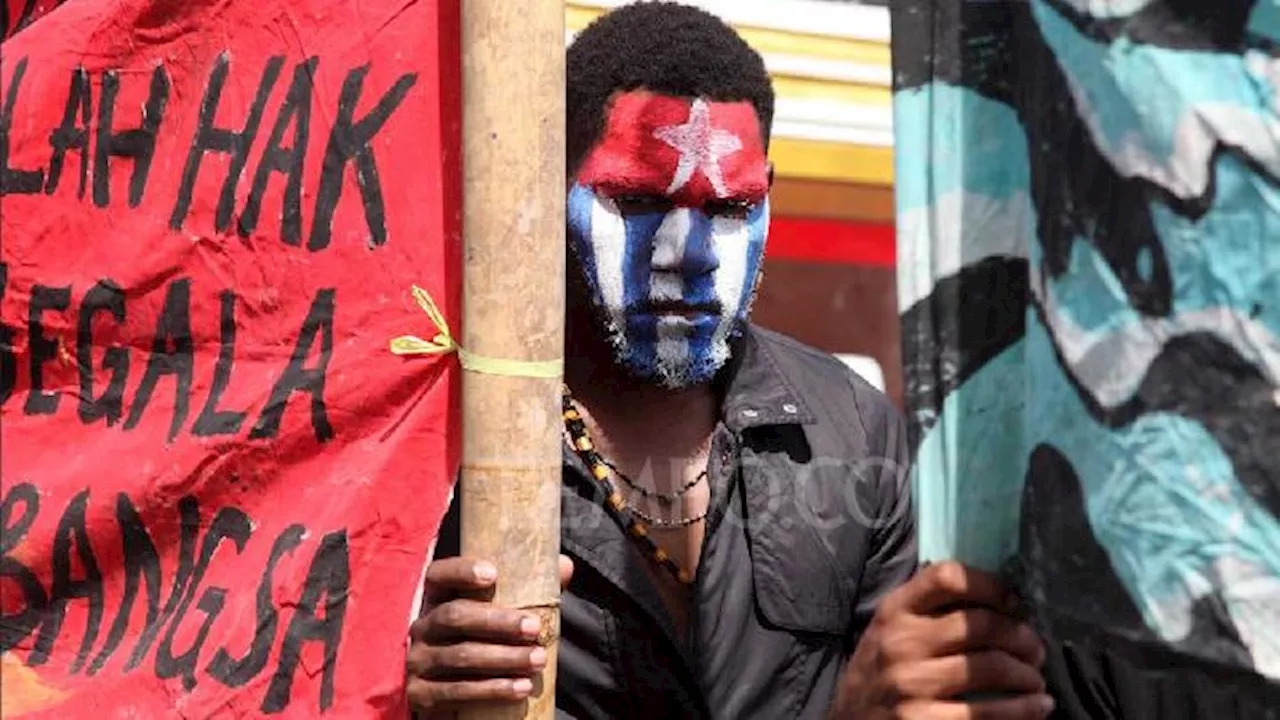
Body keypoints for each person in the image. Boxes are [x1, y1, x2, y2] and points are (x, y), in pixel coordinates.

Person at [405, 3, 1053, 718]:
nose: (687, 255)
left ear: (769, 193)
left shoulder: (856, 430)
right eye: (638, 201)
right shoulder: (438, 446)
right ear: (548, 187)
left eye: (731, 209)